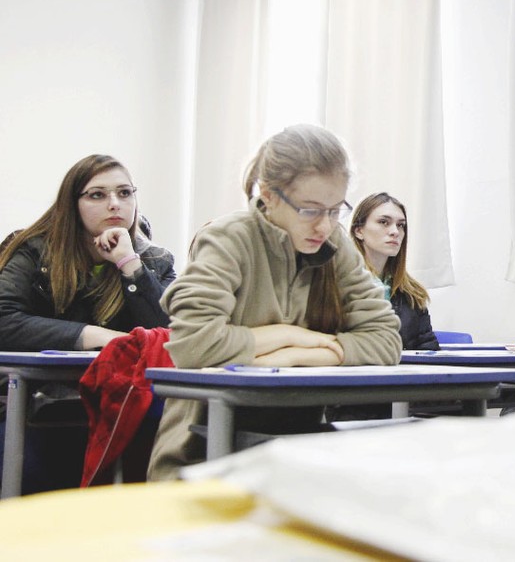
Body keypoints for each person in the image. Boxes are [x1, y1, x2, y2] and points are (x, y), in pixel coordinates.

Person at [148, 124, 402, 480]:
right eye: (310, 210)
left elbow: (386, 339)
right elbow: (193, 345)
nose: (325, 226)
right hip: (202, 455)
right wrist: (292, 334)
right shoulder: (228, 239)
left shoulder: (335, 246)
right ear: (269, 195)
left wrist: (297, 355)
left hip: (294, 453)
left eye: (335, 210)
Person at [0, 154, 174, 492]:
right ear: (72, 203)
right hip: (31, 402)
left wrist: (129, 265)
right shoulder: (32, 250)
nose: (115, 204)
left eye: (125, 193)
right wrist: (95, 335)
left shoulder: (153, 260)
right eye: (98, 195)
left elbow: (168, 334)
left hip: (117, 406)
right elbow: (4, 319)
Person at [350, 192, 439, 350]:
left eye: (400, 225)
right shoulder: (338, 285)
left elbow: (429, 351)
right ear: (359, 231)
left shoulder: (412, 293)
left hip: (404, 373)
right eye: (384, 222)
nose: (395, 232)